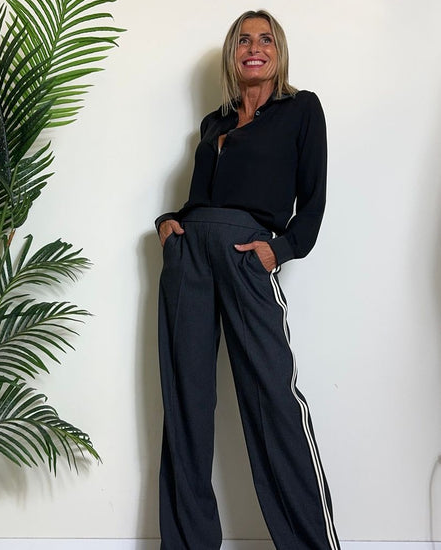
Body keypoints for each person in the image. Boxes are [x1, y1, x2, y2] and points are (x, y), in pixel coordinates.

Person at [155, 9, 340, 550]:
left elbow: (313, 202)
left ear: (278, 52)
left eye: (265, 40)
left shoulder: (301, 110)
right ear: (231, 54)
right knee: (186, 404)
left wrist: (279, 250)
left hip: (246, 257)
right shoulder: (213, 123)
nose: (253, 48)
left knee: (274, 401)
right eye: (243, 40)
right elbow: (199, 199)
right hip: (189, 258)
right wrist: (168, 223)